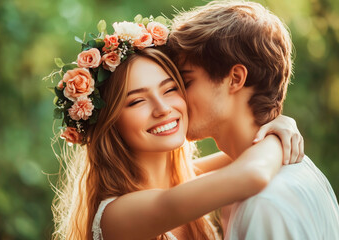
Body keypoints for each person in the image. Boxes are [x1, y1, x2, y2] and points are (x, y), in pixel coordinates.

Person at [48, 18, 302, 240]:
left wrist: (276, 124)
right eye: (137, 101)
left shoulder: (181, 178)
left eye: (170, 89)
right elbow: (253, 174)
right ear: (110, 122)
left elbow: (243, 150)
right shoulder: (117, 215)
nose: (162, 109)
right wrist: (276, 134)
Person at [167, 1, 339, 239]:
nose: (176, 99)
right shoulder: (269, 175)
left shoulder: (267, 202)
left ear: (235, 78)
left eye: (186, 82)